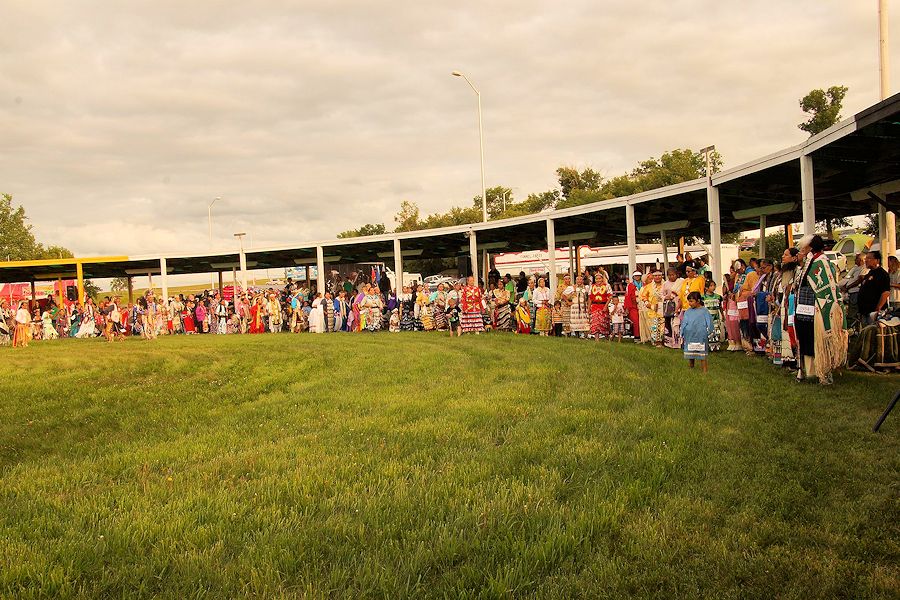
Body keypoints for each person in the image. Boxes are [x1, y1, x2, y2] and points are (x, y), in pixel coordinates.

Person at [794, 235, 847, 385]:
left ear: (810, 248)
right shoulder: (810, 262)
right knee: (808, 339)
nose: (802, 251)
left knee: (820, 339)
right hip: (806, 309)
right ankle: (810, 372)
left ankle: (824, 371)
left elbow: (826, 289)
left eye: (803, 248)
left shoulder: (821, 262)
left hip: (817, 308)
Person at [680, 291, 714, 373]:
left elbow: (709, 322)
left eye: (691, 301)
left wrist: (709, 331)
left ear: (698, 301)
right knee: (691, 351)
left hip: (701, 335)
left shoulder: (704, 311)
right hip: (690, 335)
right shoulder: (688, 311)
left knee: (702, 352)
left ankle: (705, 370)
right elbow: (684, 322)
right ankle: (691, 367)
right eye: (689, 301)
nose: (689, 303)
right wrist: (682, 332)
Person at [857, 250, 891, 326]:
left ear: (877, 260)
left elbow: (885, 293)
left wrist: (878, 309)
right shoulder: (870, 273)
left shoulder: (882, 274)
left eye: (869, 258)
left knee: (873, 334)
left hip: (873, 312)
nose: (866, 261)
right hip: (865, 311)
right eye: (866, 258)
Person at [639, 271, 664, 346]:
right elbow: (643, 296)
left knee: (663, 326)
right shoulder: (648, 286)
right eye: (655, 276)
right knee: (654, 326)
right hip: (652, 310)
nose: (657, 277)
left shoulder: (665, 285)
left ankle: (662, 342)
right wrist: (648, 304)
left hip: (663, 309)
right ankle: (656, 342)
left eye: (659, 275)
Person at [661, 268, 684, 349]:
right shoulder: (665, 284)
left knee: (677, 323)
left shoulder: (681, 282)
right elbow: (662, 294)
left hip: (679, 304)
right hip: (669, 306)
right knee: (668, 323)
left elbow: (683, 292)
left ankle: (678, 342)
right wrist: (666, 297)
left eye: (673, 275)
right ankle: (669, 342)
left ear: (676, 274)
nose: (671, 277)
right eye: (669, 275)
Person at [589, 273, 613, 341]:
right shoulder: (592, 286)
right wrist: (588, 308)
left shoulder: (607, 286)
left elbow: (610, 296)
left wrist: (606, 306)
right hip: (594, 306)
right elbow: (590, 298)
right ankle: (597, 338)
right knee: (595, 322)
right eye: (597, 279)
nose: (598, 280)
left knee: (604, 321)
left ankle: (606, 337)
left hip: (603, 305)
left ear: (602, 279)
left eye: (599, 278)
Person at [702, 279, 723, 352]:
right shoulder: (703, 298)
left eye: (714, 285)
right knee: (707, 331)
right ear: (706, 288)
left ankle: (715, 346)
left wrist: (722, 315)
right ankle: (707, 346)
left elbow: (720, 307)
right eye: (711, 286)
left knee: (716, 331)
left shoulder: (718, 297)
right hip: (706, 318)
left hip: (715, 318)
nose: (713, 287)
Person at [623, 271, 643, 342]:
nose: (637, 277)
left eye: (638, 276)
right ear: (633, 277)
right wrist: (627, 308)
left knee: (643, 320)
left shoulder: (644, 284)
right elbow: (627, 297)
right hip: (633, 305)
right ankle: (637, 336)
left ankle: (644, 336)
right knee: (636, 321)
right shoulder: (630, 285)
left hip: (643, 304)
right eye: (636, 276)